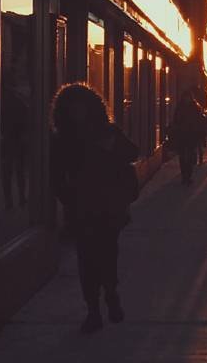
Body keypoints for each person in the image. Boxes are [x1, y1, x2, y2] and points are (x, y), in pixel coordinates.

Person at [50, 82, 139, 334]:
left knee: (108, 254)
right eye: (72, 108)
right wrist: (68, 198)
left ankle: (110, 292)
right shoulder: (62, 140)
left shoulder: (107, 132)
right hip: (81, 209)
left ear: (92, 108)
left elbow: (133, 152)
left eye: (82, 107)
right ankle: (93, 310)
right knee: (86, 260)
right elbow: (55, 176)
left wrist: (111, 148)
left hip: (109, 207)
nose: (77, 112)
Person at [170, 90, 206, 184]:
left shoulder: (195, 107)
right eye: (185, 97)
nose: (187, 99)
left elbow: (200, 121)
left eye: (188, 97)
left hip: (191, 135)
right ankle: (184, 176)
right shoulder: (181, 107)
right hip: (182, 135)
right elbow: (176, 120)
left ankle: (188, 176)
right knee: (182, 156)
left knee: (190, 156)